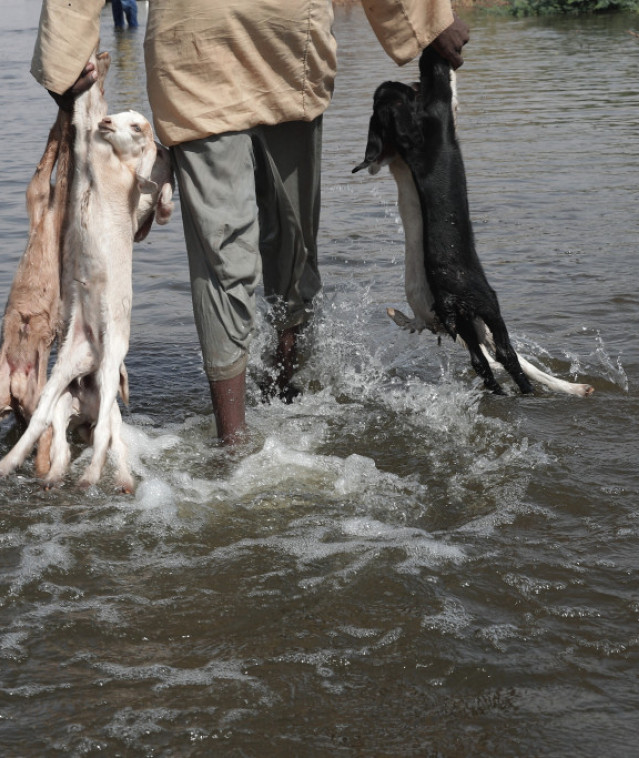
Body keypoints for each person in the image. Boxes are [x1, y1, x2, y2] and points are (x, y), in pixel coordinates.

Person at [31, 1, 469, 445]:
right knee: (260, 256)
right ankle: (244, 436)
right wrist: (428, 22)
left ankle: (261, 419)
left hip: (248, 52)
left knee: (267, 255)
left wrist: (63, 52)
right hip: (239, 45)